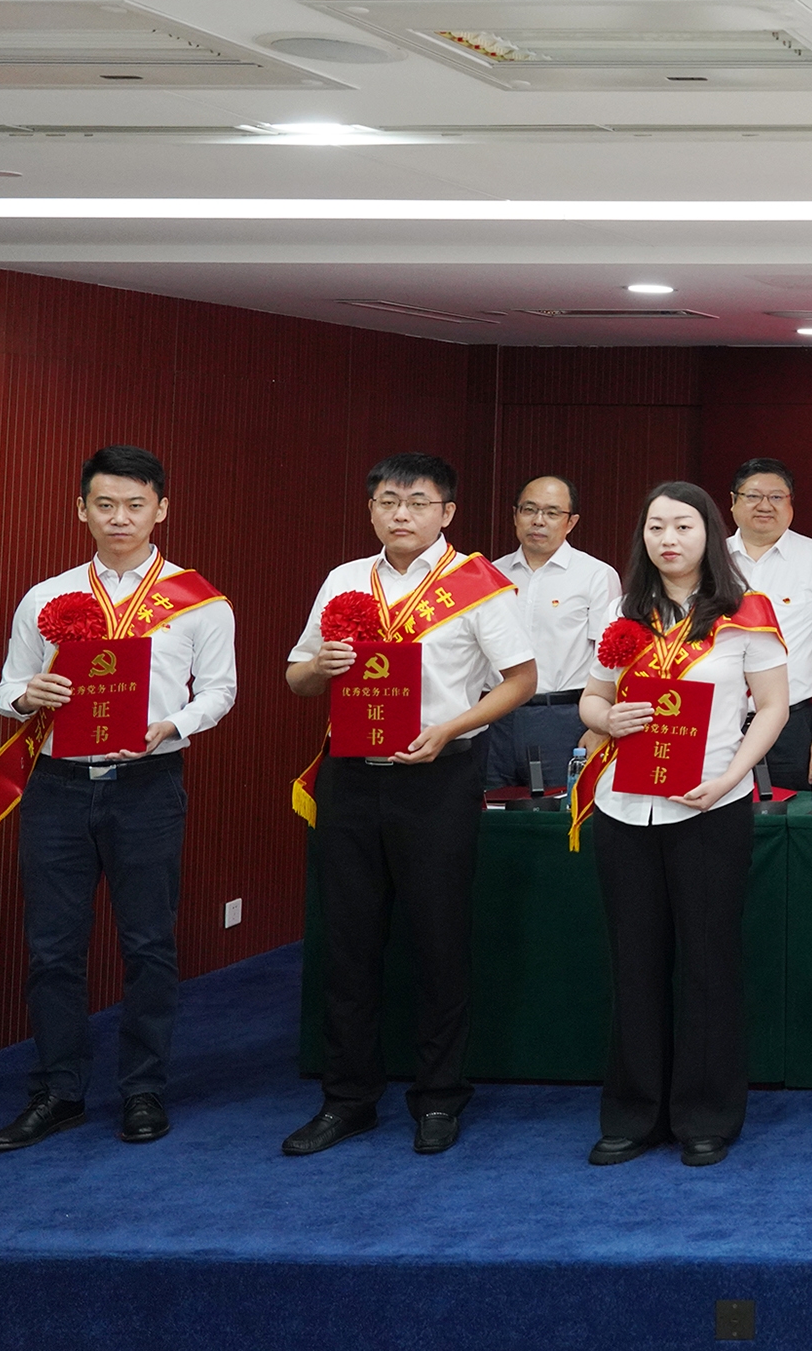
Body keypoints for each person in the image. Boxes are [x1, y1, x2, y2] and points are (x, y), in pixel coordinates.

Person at [280, 453, 535, 1158]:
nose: (402, 514)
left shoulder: (476, 584)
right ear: (370, 510)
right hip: (350, 777)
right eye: (389, 501)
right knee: (348, 941)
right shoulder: (344, 580)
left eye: (418, 502)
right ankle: (347, 1099)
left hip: (439, 775)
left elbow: (520, 679)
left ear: (446, 512)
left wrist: (450, 728)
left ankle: (439, 1095)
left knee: (438, 938)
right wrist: (320, 667)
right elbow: (297, 677)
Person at [0, 446, 236, 1154]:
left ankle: (143, 1089)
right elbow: (7, 688)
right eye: (104, 504)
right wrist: (26, 697)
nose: (119, 518)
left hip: (147, 787)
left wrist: (174, 725)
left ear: (161, 509)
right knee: (52, 948)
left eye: (134, 504)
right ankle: (59, 1091)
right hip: (57, 788)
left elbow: (220, 690)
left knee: (148, 944)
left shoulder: (199, 601)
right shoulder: (46, 597)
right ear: (81, 510)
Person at [576, 482, 788, 1168]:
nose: (668, 539)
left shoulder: (745, 611)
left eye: (683, 526)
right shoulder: (625, 612)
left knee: (706, 962)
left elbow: (775, 707)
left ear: (710, 535)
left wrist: (732, 776)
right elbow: (592, 696)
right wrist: (605, 718)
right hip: (623, 807)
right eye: (656, 526)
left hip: (709, 807)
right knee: (633, 962)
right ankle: (634, 1114)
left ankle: (705, 1115)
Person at [724, 458, 812, 793]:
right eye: (753, 496)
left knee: (793, 815)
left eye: (776, 497)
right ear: (733, 501)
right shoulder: (709, 561)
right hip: (719, 722)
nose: (765, 506)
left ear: (790, 503)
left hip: (792, 726)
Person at [488, 475, 614, 795]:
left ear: (571, 522)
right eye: (529, 509)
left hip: (562, 719)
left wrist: (600, 728)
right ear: (515, 515)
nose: (538, 520)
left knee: (559, 813)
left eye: (552, 512)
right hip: (494, 718)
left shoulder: (596, 575)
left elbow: (610, 660)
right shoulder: (490, 575)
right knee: (488, 812)